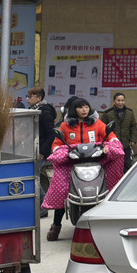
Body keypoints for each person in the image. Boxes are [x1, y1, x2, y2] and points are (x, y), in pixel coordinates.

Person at [42, 97, 124, 241]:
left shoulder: (97, 123)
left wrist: (110, 145)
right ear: (74, 110)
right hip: (71, 163)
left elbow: (111, 136)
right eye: (80, 107)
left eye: (86, 107)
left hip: (96, 161)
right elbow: (56, 144)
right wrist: (60, 152)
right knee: (61, 186)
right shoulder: (65, 126)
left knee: (111, 182)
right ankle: (56, 226)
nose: (84, 110)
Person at [26, 85, 57, 216]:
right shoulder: (32, 109)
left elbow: (51, 134)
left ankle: (44, 206)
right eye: (27, 96)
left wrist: (42, 152)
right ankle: (40, 205)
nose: (27, 99)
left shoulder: (45, 111)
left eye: (30, 97)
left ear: (39, 98)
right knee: (33, 176)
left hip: (40, 150)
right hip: (31, 148)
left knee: (33, 177)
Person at [101, 92, 137, 170]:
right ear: (114, 101)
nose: (120, 103)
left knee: (127, 165)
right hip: (113, 145)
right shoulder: (108, 113)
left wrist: (132, 139)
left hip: (126, 144)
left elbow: (133, 127)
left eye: (122, 100)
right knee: (114, 166)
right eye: (118, 100)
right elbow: (103, 129)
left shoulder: (129, 113)